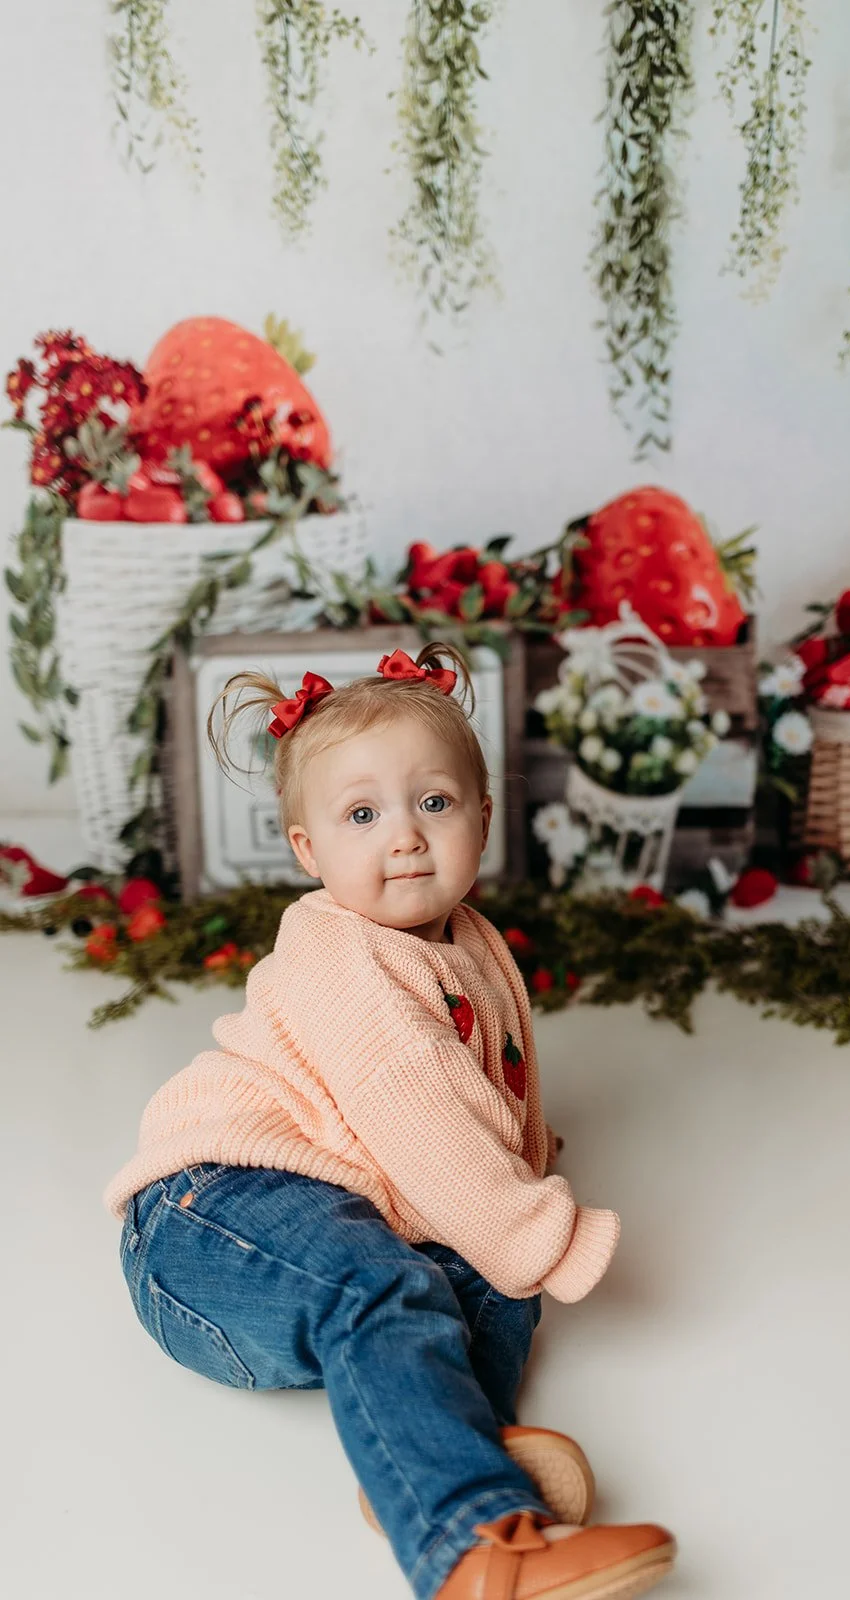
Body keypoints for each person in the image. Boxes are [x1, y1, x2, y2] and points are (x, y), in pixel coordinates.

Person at [103, 643, 677, 1600]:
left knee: (479, 1276)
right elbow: (427, 1121)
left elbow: (491, 1095)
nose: (404, 837)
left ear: (483, 819)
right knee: (409, 1273)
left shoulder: (469, 944)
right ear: (309, 851)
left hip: (318, 1216)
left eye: (434, 804)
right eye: (361, 815)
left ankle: (443, 1452)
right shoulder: (341, 949)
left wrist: (520, 1185)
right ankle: (471, 1548)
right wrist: (545, 1228)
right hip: (208, 1217)